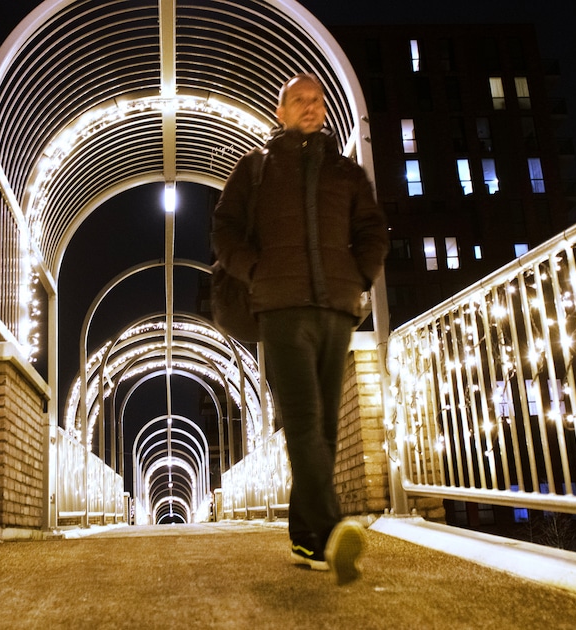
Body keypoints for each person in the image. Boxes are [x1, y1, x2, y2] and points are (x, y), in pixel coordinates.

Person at [211, 74, 389, 585]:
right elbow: (224, 230)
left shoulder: (346, 173)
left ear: (324, 110)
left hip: (336, 308)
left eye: (316, 100)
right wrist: (256, 271)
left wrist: (359, 276)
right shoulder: (256, 169)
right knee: (306, 421)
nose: (309, 107)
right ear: (281, 110)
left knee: (325, 427)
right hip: (282, 309)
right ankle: (332, 530)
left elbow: (372, 229)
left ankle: (305, 538)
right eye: (298, 100)